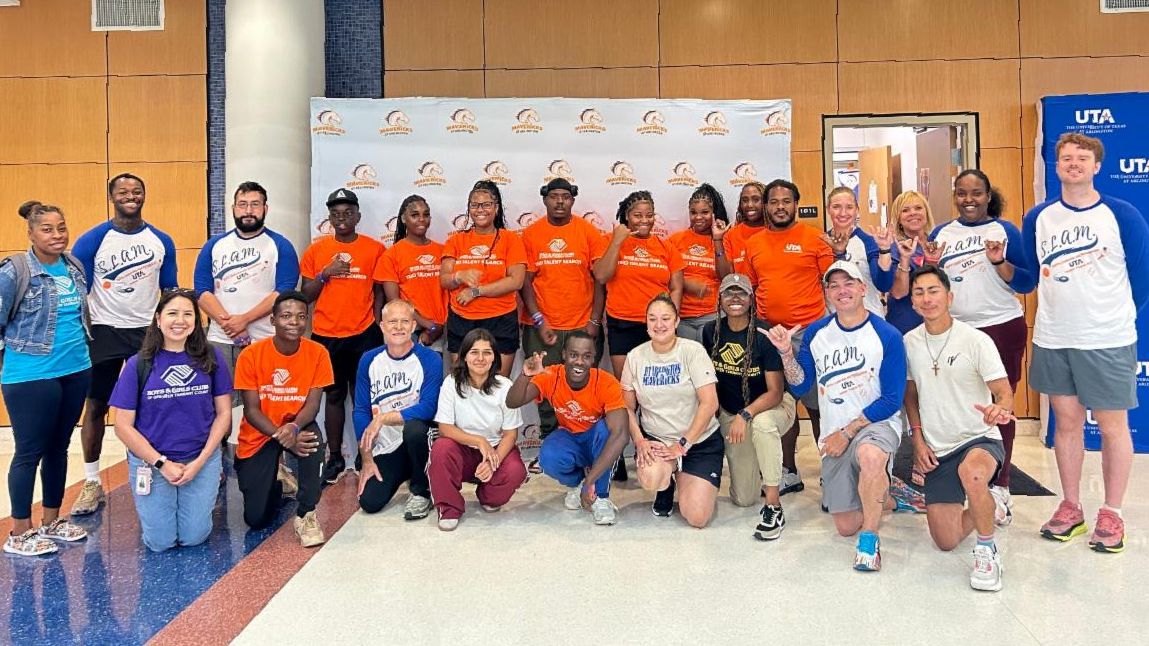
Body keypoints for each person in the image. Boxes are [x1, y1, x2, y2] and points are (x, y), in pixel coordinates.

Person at [1022, 132, 1149, 553]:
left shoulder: (1122, 214)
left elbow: (1142, 278)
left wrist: (1112, 316)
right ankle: (1071, 505)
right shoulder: (1038, 218)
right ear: (1055, 166)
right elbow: (1030, 274)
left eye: (1082, 158)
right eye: (1066, 158)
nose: (1073, 164)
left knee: (1113, 427)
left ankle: (1112, 511)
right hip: (1054, 336)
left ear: (1096, 166)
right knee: (1067, 424)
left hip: (1107, 338)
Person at [767, 261, 909, 571]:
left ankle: (869, 540)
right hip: (834, 431)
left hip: (874, 423)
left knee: (870, 456)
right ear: (827, 294)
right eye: (834, 285)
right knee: (845, 526)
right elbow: (800, 384)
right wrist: (786, 353)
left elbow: (891, 400)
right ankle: (886, 495)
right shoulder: (817, 332)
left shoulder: (887, 335)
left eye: (849, 283)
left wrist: (847, 433)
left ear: (863, 288)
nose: (842, 290)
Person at [926, 169, 1036, 526]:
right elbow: (928, 284)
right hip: (956, 333)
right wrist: (929, 265)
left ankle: (1000, 484)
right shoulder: (942, 234)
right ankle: (968, 477)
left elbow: (1027, 282)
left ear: (988, 196)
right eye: (962, 193)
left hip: (1001, 327)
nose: (968, 199)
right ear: (954, 196)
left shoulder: (1005, 231)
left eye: (976, 193)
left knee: (1000, 406)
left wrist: (999, 262)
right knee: (962, 405)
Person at [70, 173, 178, 516]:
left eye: (136, 191)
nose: (130, 196)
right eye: (123, 191)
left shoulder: (161, 240)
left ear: (144, 195)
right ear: (111, 197)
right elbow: (77, 290)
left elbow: (170, 290)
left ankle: (157, 469)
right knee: (96, 407)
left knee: (153, 405)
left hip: (146, 333)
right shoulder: (92, 240)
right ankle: (91, 482)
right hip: (103, 332)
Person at [903, 265, 1015, 591]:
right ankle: (991, 504)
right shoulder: (909, 342)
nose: (927, 298)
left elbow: (1004, 392)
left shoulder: (976, 340)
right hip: (939, 448)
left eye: (933, 291)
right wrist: (918, 440)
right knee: (946, 540)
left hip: (978, 437)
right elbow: (911, 396)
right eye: (919, 292)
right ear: (913, 302)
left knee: (973, 474)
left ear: (949, 297)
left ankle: (987, 550)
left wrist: (999, 409)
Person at [109, 289, 232, 552]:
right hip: (152, 462)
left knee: (194, 536)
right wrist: (162, 463)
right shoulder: (138, 364)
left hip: (200, 458)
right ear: (158, 319)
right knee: (160, 542)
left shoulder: (212, 357)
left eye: (188, 314)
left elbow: (224, 414)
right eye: (172, 313)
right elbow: (122, 426)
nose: (180, 321)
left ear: (196, 322)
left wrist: (201, 461)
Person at [1, 201, 91, 556]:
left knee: (58, 447)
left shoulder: (73, 265)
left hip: (76, 368)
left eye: (61, 227)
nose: (57, 235)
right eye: (47, 229)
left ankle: (52, 521)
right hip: (31, 374)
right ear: (31, 233)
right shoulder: (15, 270)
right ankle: (19, 532)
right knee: (29, 452)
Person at [742, 179, 834, 496]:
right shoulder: (754, 243)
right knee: (783, 405)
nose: (780, 207)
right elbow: (753, 287)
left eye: (786, 201)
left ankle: (830, 472)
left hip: (810, 334)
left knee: (819, 406)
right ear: (766, 206)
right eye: (774, 202)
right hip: (771, 335)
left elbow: (831, 282)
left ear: (796, 204)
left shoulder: (815, 238)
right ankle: (789, 472)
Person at [300, 188, 386, 485]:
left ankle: (367, 454)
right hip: (327, 335)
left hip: (365, 334)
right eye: (336, 214)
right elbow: (305, 295)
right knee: (334, 397)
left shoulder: (374, 249)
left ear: (358, 216)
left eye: (348, 213)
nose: (342, 218)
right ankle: (335, 457)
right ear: (329, 218)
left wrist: (377, 321)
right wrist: (326, 273)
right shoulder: (316, 251)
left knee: (363, 398)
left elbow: (379, 291)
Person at [234, 291, 333, 547]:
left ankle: (306, 514)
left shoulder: (318, 353)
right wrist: (283, 437)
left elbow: (313, 405)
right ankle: (278, 480)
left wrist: (295, 427)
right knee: (257, 518)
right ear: (273, 320)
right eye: (286, 316)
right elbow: (251, 411)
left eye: (301, 316)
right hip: (262, 430)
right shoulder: (251, 355)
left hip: (297, 423)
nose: (294, 322)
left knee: (312, 443)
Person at [703, 273, 796, 540]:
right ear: (720, 299)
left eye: (742, 292)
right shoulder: (710, 331)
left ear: (751, 299)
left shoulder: (764, 334)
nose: (735, 297)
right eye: (729, 292)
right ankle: (758, 465)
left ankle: (773, 505)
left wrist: (746, 414)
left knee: (763, 426)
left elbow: (775, 392)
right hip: (731, 411)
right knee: (744, 498)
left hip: (769, 407)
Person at [504, 332, 629, 525]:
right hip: (571, 436)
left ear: (593, 359)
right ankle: (578, 484)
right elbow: (513, 402)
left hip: (597, 441)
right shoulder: (551, 375)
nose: (579, 362)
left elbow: (621, 435)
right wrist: (525, 375)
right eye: (573, 355)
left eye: (586, 356)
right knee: (549, 456)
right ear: (563, 354)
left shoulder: (606, 382)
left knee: (607, 431)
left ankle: (600, 496)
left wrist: (591, 480)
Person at [519, 179, 607, 445]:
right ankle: (550, 443)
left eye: (565, 197)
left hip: (582, 326)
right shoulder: (531, 234)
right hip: (542, 327)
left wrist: (594, 321)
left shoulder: (588, 232)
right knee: (546, 387)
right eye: (554, 196)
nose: (559, 201)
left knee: (585, 387)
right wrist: (539, 320)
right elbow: (525, 282)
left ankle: (589, 444)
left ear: (573, 200)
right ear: (545, 199)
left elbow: (600, 279)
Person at [621, 294, 721, 528]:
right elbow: (626, 407)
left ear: (676, 322)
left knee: (697, 517)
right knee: (651, 477)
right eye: (652, 319)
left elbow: (710, 403)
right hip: (658, 440)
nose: (659, 325)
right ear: (646, 323)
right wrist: (640, 441)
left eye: (665, 318)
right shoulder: (635, 357)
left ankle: (683, 473)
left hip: (698, 442)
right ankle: (666, 484)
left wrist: (682, 445)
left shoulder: (693, 351)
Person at [195, 181, 300, 382]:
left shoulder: (281, 245)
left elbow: (284, 292)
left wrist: (244, 320)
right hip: (220, 340)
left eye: (255, 204)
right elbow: (201, 291)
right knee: (223, 397)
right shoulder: (214, 245)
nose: (248, 211)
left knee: (263, 397)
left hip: (265, 339)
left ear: (265, 209)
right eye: (242, 204)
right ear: (233, 208)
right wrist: (230, 325)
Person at [428, 328, 527, 531]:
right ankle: (449, 508)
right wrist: (479, 441)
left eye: (487, 352)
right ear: (464, 356)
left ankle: (488, 494)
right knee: (441, 448)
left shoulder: (505, 386)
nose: (480, 358)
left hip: (494, 449)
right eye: (474, 352)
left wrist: (492, 461)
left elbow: (510, 434)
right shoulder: (451, 383)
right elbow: (445, 428)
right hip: (462, 448)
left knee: (515, 470)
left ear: (494, 358)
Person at [353, 300, 443, 519]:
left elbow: (428, 408)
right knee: (369, 502)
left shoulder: (430, 358)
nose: (399, 327)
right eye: (392, 322)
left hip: (419, 440)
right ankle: (405, 472)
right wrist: (367, 458)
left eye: (405, 321)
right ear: (382, 326)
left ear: (413, 326)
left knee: (415, 429)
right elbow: (361, 410)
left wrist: (383, 418)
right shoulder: (369, 359)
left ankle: (421, 489)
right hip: (387, 445)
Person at [440, 181, 527, 377]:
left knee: (498, 386)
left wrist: (476, 291)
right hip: (461, 321)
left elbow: (516, 281)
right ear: (469, 208)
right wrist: (458, 276)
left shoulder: (511, 240)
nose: (480, 210)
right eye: (475, 205)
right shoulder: (455, 241)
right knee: (462, 384)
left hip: (501, 320)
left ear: (496, 208)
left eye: (486, 204)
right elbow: (444, 280)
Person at [594, 191, 685, 379]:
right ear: (627, 216)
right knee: (627, 385)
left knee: (657, 383)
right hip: (622, 323)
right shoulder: (608, 241)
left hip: (657, 326)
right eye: (638, 215)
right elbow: (601, 276)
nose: (644, 220)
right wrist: (617, 241)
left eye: (649, 215)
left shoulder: (666, 247)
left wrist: (671, 319)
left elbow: (676, 287)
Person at [376, 194, 448, 350]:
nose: (421, 219)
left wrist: (437, 327)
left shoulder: (443, 251)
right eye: (415, 215)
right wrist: (428, 325)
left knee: (433, 367)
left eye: (426, 215)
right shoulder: (391, 255)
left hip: (438, 331)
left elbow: (449, 293)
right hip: (407, 330)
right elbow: (394, 301)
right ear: (403, 219)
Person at [668, 183, 733, 342]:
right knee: (689, 358)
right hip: (682, 317)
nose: (698, 217)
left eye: (705, 212)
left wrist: (717, 239)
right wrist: (685, 283)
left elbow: (726, 276)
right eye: (693, 212)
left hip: (713, 315)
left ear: (714, 213)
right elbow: (662, 275)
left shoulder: (725, 238)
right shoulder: (676, 240)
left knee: (712, 358)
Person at [821, 186, 896, 317]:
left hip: (868, 319)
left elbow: (883, 285)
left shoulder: (868, 241)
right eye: (836, 207)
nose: (843, 213)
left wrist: (884, 250)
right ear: (828, 209)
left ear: (857, 210)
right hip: (834, 321)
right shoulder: (821, 242)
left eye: (849, 207)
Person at [886, 190, 936, 335]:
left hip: (937, 322)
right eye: (905, 210)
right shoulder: (894, 249)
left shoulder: (938, 242)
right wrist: (905, 258)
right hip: (906, 324)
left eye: (918, 208)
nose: (913, 213)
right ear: (899, 219)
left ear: (926, 213)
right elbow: (898, 293)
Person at [723, 181, 767, 273]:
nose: (749, 205)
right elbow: (726, 274)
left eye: (756, 199)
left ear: (766, 202)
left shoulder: (774, 231)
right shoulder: (731, 234)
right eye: (745, 200)